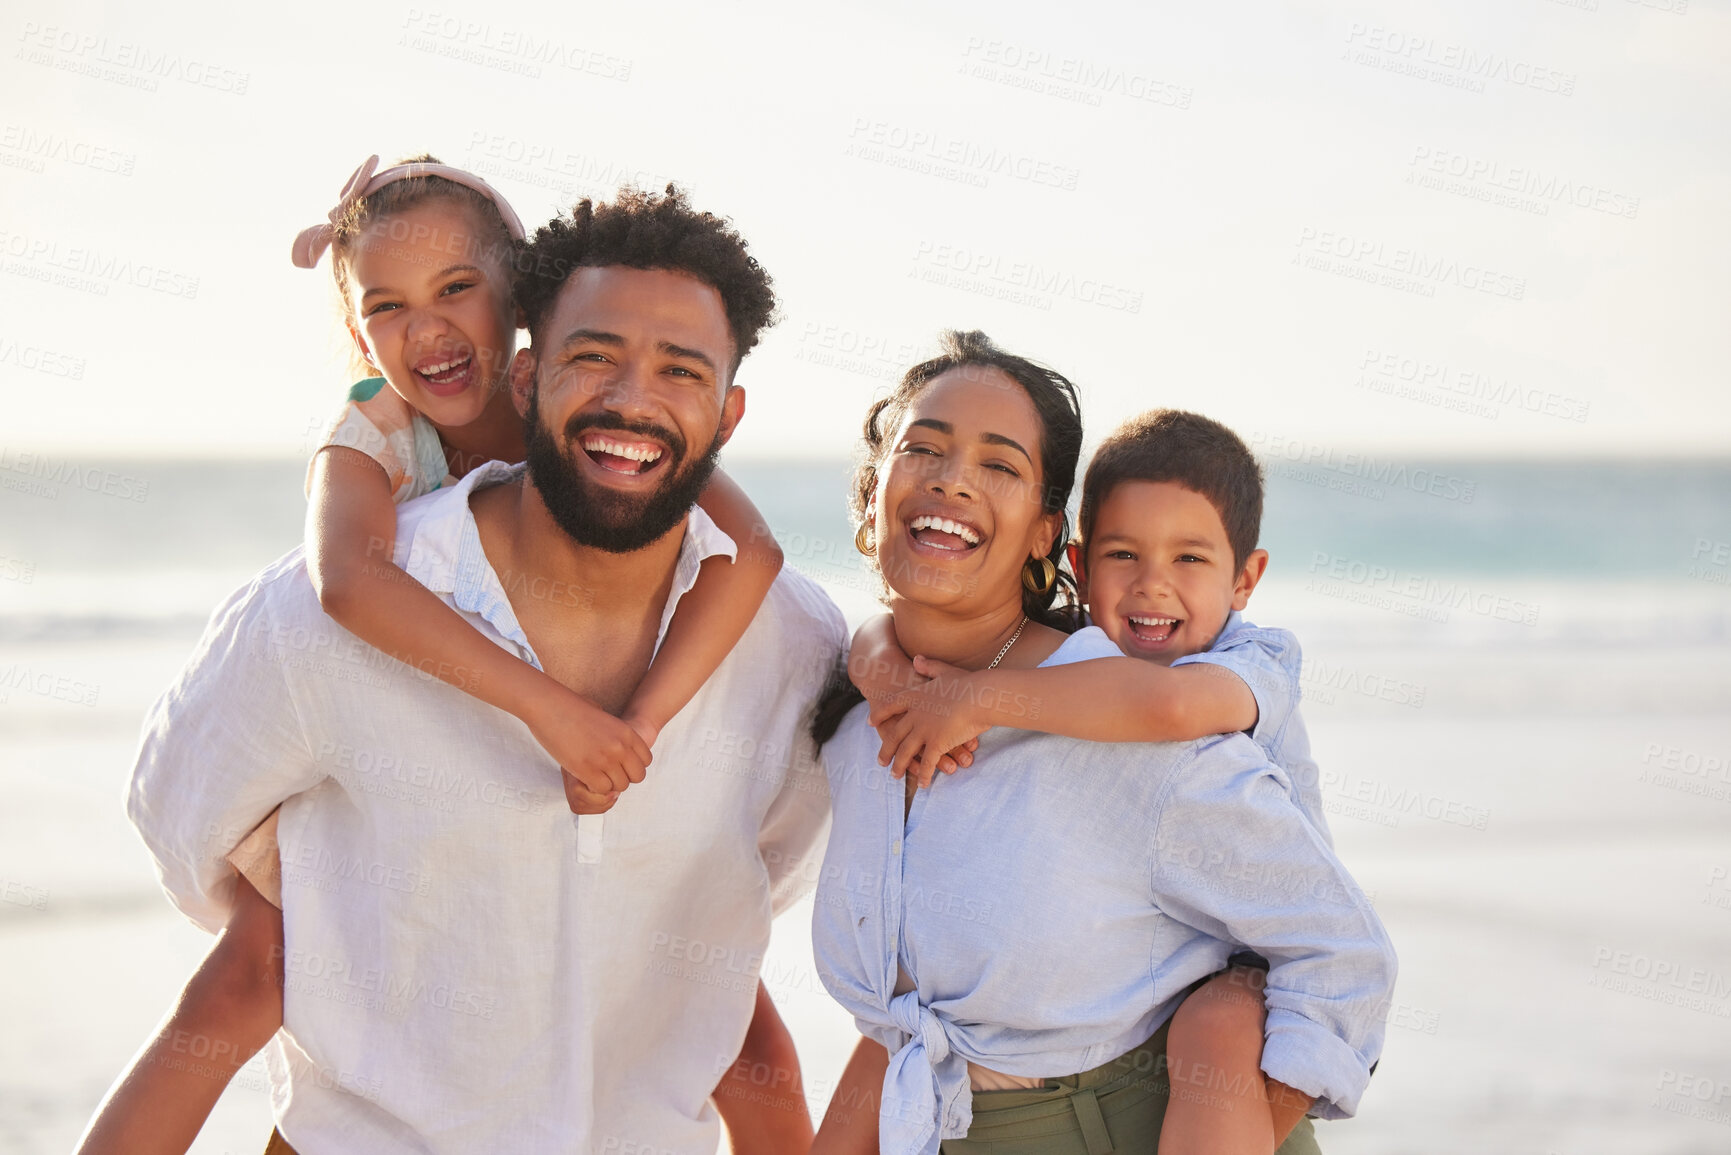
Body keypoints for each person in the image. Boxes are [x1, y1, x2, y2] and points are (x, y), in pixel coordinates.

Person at [117, 183, 844, 1154]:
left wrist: (641, 734)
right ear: (534, 373)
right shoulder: (360, 487)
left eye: (679, 370)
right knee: (261, 955)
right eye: (387, 305)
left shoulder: (786, 644)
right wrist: (342, 907)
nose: (633, 394)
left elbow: (752, 857)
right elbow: (196, 805)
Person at [807, 331, 1397, 1154]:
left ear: (1046, 533)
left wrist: (1247, 1122)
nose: (950, 478)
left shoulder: (1139, 721)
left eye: (1000, 465)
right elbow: (903, 1027)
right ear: (874, 491)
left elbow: (1342, 952)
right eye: (923, 449)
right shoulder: (851, 713)